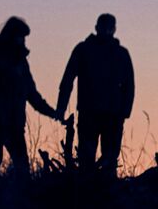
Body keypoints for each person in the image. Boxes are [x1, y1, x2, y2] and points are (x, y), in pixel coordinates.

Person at [0, 16, 64, 179]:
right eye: (20, 37)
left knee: (21, 164)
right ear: (12, 36)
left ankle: (19, 199)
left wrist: (52, 113)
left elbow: (31, 93)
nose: (23, 41)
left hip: (14, 122)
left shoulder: (20, 62)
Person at [55, 12, 136, 177]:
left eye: (109, 27)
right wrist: (61, 108)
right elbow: (67, 80)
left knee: (109, 160)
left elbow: (129, 86)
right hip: (89, 113)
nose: (106, 30)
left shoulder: (121, 54)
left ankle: (107, 196)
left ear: (114, 29)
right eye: (103, 27)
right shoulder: (83, 50)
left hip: (113, 115)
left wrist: (124, 112)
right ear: (97, 28)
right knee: (86, 159)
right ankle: (87, 195)